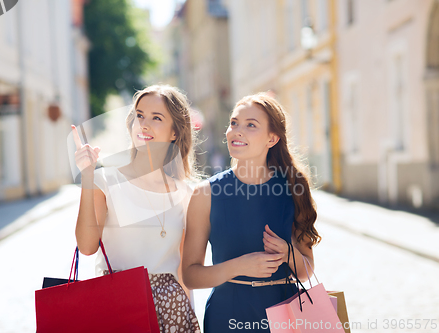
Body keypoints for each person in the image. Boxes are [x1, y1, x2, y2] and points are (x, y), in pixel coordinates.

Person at [182, 92, 321, 332]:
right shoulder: (205, 194)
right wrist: (239, 266)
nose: (237, 131)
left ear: (272, 138)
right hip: (228, 316)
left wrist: (289, 253)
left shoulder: (293, 189)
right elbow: (190, 276)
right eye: (234, 123)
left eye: (251, 125)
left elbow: (307, 269)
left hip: (285, 313)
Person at [71, 85, 201, 333]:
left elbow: (185, 273)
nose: (144, 124)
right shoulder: (104, 182)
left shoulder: (187, 194)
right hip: (117, 306)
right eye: (139, 115)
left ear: (175, 132)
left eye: (156, 118)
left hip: (171, 314)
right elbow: (87, 247)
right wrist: (87, 176)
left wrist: (189, 322)